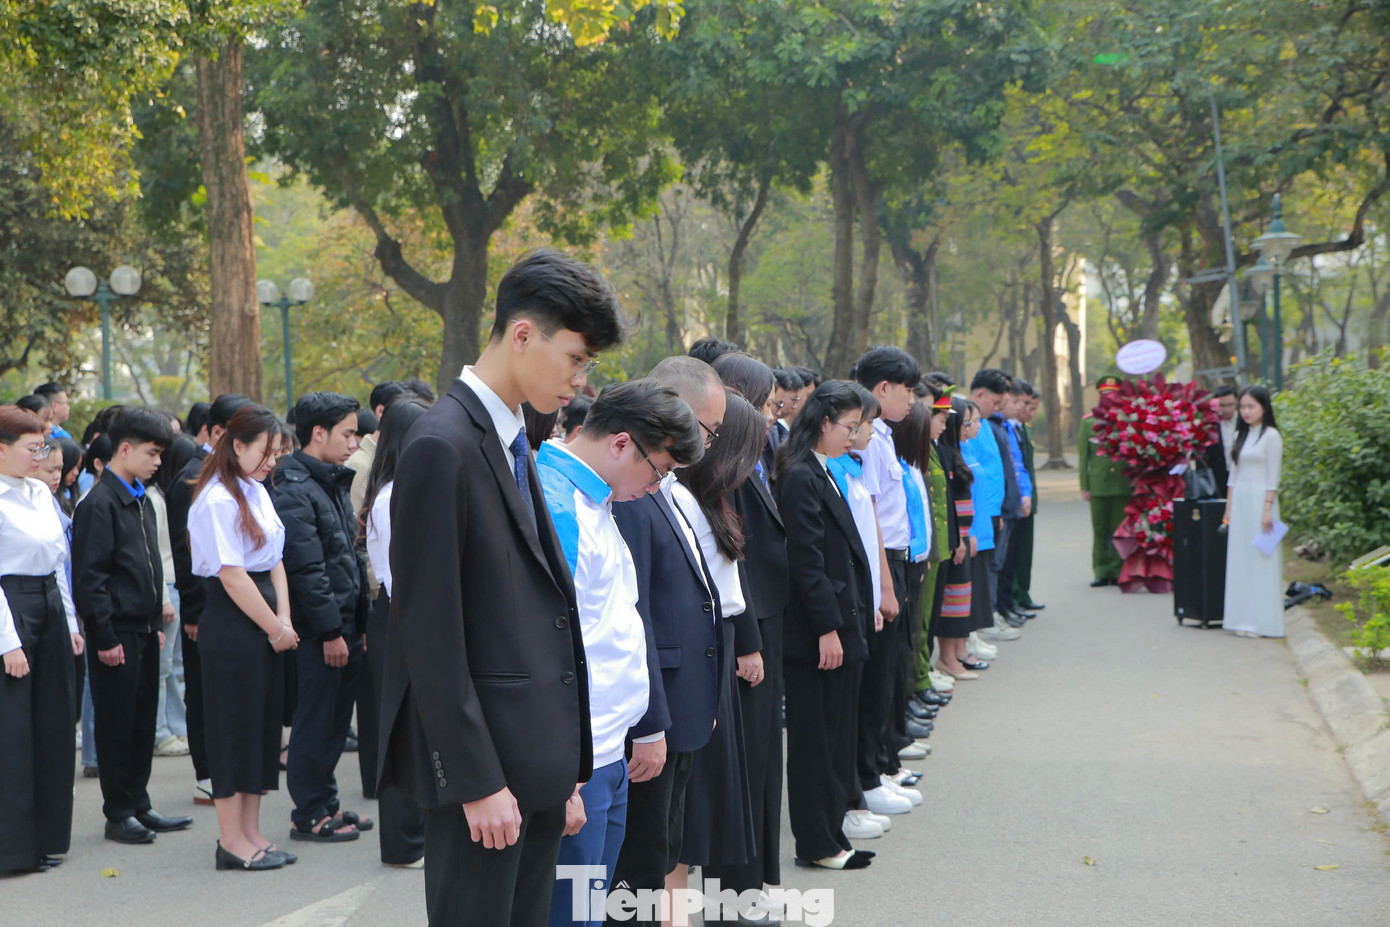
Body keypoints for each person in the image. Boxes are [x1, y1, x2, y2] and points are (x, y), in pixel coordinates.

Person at [377, 249, 621, 927]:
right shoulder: (441, 445)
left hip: (533, 766)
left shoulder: (513, 438)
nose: (578, 379)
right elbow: (428, 631)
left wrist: (565, 762)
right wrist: (475, 778)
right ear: (522, 335)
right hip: (485, 776)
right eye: (574, 358)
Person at [538, 380, 703, 927]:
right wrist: (560, 774)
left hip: (608, 747)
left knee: (593, 909)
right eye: (656, 471)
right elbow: (545, 652)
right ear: (620, 444)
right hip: (578, 762)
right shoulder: (560, 507)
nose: (656, 488)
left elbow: (620, 625)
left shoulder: (599, 501)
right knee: (571, 914)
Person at [608, 357, 726, 927]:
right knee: (642, 857)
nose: (708, 444)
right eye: (707, 429)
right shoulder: (634, 495)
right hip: (657, 701)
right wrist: (651, 718)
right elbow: (639, 615)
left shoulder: (667, 488)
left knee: (665, 842)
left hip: (683, 696)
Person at [71, 406, 192, 845]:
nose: (158, 462)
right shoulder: (99, 503)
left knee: (143, 721)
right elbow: (91, 578)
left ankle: (139, 803)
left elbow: (150, 565)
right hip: (115, 633)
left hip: (144, 628)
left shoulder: (142, 497)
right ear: (125, 448)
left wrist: (153, 618)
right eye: (152, 452)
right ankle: (118, 812)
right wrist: (104, 635)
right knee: (118, 724)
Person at [188, 404, 299, 871]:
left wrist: (284, 619)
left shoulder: (255, 490)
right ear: (237, 445)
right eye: (265, 452)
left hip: (265, 620)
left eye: (276, 454)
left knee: (259, 730)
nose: (271, 462)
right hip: (233, 626)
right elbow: (233, 577)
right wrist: (275, 628)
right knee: (232, 731)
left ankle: (253, 833)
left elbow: (275, 559)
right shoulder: (215, 499)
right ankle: (231, 840)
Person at [775, 381, 873, 871]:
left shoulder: (824, 469)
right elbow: (806, 561)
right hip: (819, 633)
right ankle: (817, 841)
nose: (854, 437)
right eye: (850, 427)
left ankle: (834, 833)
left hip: (842, 622)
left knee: (837, 736)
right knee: (816, 741)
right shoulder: (799, 475)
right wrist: (827, 629)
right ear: (824, 421)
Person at [270, 391, 372, 844]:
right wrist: (331, 631)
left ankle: (326, 802)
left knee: (334, 723)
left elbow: (346, 557)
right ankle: (308, 813)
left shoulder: (325, 480)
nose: (354, 442)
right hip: (320, 634)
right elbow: (307, 570)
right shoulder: (293, 486)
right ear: (318, 433)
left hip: (345, 627)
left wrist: (359, 625)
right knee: (316, 722)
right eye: (348, 433)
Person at [707, 352, 787, 916]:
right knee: (745, 763)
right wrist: (751, 639)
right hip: (745, 634)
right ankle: (740, 889)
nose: (769, 416)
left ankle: (758, 882)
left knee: (763, 762)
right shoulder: (719, 469)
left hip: (768, 622)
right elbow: (730, 564)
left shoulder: (749, 459)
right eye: (763, 405)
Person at [673, 394, 763, 886]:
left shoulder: (708, 497)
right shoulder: (681, 497)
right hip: (702, 646)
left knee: (704, 802)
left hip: (718, 637)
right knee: (688, 809)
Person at [0, 406, 83, 874]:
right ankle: (12, 848)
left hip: (49, 604)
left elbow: (57, 562)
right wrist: (8, 642)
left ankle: (47, 838)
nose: (41, 458)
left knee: (53, 721)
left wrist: (69, 622)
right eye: (32, 449)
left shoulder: (38, 492)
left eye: (44, 447)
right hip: (10, 607)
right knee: (13, 729)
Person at [170, 393, 252, 805]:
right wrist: (194, 610)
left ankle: (229, 771)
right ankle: (207, 772)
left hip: (234, 603)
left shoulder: (235, 475)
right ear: (217, 432)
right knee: (204, 692)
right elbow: (185, 553)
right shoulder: (192, 477)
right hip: (206, 602)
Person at [361, 396, 432, 868]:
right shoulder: (392, 496)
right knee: (403, 728)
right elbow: (400, 572)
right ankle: (402, 843)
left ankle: (412, 837)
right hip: (402, 613)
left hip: (406, 610)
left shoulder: (399, 488)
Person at [851, 345, 921, 811]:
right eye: (908, 391)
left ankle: (879, 767)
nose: (913, 400)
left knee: (888, 674)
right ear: (882, 389)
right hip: (883, 565)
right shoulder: (870, 438)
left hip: (895, 560)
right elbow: (871, 514)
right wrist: (885, 586)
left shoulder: (884, 436)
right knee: (874, 680)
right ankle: (869, 776)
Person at [151, 435, 200, 758]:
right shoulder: (157, 497)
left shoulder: (162, 494)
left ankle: (175, 725)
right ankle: (161, 731)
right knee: (164, 667)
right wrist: (166, 599)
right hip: (167, 587)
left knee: (174, 666)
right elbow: (159, 551)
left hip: (172, 586)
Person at [1222, 386, 1285, 639]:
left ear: (1264, 407)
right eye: (1243, 407)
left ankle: (1263, 621)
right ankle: (1242, 617)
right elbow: (1233, 477)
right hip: (1241, 503)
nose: (1246, 412)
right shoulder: (1241, 434)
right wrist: (1228, 509)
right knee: (1241, 559)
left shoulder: (1271, 436)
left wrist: (1267, 510)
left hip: (1262, 503)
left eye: (1251, 406)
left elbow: (1273, 477)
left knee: (1262, 559)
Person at [1079, 375, 1131, 588]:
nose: (1109, 397)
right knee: (1100, 530)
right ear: (1099, 395)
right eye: (1105, 394)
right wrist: (1085, 486)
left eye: (1113, 393)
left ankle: (1119, 570)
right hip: (1098, 485)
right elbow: (1084, 458)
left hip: (1122, 484)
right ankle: (1101, 571)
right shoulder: (1089, 421)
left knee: (1120, 529)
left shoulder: (1127, 419)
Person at [994, 378, 1035, 623]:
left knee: (1008, 560)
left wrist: (1026, 493)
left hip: (1015, 500)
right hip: (1003, 505)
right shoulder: (996, 427)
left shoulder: (1011, 428)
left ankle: (1008, 606)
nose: (1019, 406)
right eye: (1015, 401)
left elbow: (1019, 467)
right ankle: (1000, 609)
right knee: (999, 563)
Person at [1010, 387, 1045, 612]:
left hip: (1028, 498)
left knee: (1025, 552)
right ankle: (1014, 596)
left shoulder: (1025, 431)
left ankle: (1023, 593)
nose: (1030, 412)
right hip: (1016, 501)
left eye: (1033, 408)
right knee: (1014, 552)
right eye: (1028, 406)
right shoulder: (1010, 430)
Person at [1205, 385, 1238, 495]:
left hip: (1241, 475)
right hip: (1219, 478)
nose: (1227, 409)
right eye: (1222, 405)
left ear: (1236, 402)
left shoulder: (1245, 423)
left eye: (1230, 405)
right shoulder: (1211, 424)